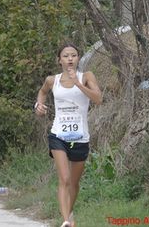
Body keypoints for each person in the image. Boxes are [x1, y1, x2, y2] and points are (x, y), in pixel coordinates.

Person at [34, 43, 102, 227]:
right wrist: (38, 106)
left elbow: (98, 99)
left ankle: (69, 214)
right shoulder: (52, 80)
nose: (70, 58)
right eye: (66, 56)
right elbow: (42, 92)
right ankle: (66, 221)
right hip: (59, 135)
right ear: (59, 60)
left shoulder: (86, 76)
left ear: (78, 58)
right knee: (64, 178)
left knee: (74, 182)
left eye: (73, 55)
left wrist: (78, 84)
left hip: (81, 137)